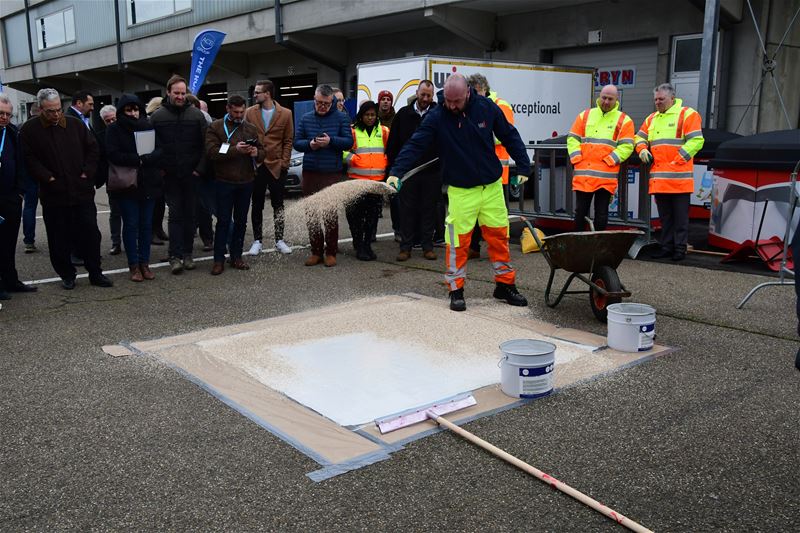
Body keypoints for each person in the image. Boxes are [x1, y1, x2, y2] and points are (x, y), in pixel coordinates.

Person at [388, 74, 530, 312]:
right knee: (457, 243)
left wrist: (524, 166)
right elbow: (416, 144)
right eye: (449, 102)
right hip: (461, 190)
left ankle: (505, 285)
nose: (452, 106)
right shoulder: (437, 116)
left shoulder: (486, 108)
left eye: (457, 101)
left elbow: (509, 135)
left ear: (468, 93)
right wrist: (397, 172)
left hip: (492, 187)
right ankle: (456, 290)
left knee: (498, 238)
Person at [20, 88, 112, 290]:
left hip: (81, 192)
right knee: (58, 237)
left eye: (58, 110)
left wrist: (87, 172)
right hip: (54, 195)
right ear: (40, 109)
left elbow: (93, 149)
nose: (55, 114)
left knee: (90, 234)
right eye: (50, 111)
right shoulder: (30, 130)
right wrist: (48, 177)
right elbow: (29, 158)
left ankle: (95, 272)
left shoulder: (75, 125)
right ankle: (67, 274)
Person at [635, 83, 704, 261]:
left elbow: (696, 141)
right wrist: (642, 150)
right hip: (660, 178)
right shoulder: (652, 118)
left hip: (679, 178)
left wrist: (677, 159)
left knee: (680, 218)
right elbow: (639, 137)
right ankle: (667, 247)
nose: (657, 102)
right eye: (655, 99)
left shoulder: (687, 114)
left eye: (661, 99)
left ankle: (679, 249)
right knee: (666, 217)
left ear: (672, 98)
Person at [150, 75, 207, 274]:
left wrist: (199, 169)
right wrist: (160, 169)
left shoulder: (196, 116)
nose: (180, 96)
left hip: (191, 175)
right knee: (175, 215)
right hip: (170, 176)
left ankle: (188, 254)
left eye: (183, 93)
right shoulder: (157, 117)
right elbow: (151, 147)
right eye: (177, 93)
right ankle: (174, 257)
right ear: (168, 92)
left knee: (191, 216)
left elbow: (205, 147)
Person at [104, 94, 163, 282]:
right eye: (129, 110)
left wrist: (149, 158)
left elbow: (160, 148)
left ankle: (145, 263)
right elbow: (112, 154)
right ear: (122, 111)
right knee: (131, 225)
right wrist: (137, 159)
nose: (133, 113)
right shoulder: (114, 129)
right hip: (127, 185)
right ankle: (133, 265)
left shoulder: (148, 125)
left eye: (136, 109)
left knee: (146, 226)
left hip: (148, 183)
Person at [293, 84, 353, 267]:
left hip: (331, 173)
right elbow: (297, 142)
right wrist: (310, 145)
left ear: (332, 101)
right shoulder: (305, 118)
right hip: (310, 171)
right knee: (311, 213)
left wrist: (331, 141)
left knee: (329, 214)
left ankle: (331, 252)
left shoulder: (341, 118)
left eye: (326, 104)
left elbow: (349, 142)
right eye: (319, 102)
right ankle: (315, 252)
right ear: (314, 99)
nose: (322, 106)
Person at [206, 95, 263, 275]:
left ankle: (237, 256)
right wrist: (234, 150)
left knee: (241, 222)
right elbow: (211, 152)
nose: (239, 115)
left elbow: (263, 152)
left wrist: (256, 152)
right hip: (223, 182)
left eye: (242, 111)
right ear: (228, 109)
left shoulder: (251, 129)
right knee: (223, 222)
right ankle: (218, 260)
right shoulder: (215, 127)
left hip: (246, 182)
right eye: (236, 112)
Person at [567, 84, 634, 231]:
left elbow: (627, 146)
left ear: (617, 99)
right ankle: (578, 242)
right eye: (604, 97)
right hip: (584, 174)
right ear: (599, 97)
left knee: (602, 214)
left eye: (610, 99)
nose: (606, 101)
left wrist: (611, 160)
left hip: (605, 177)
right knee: (580, 213)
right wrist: (576, 157)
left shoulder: (624, 120)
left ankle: (598, 245)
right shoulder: (584, 115)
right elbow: (572, 138)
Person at [385, 80, 439, 262]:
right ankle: (405, 247)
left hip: (431, 172)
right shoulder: (403, 114)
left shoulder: (438, 114)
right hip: (408, 172)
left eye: (428, 96)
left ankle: (427, 246)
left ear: (433, 96)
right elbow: (393, 144)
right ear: (417, 92)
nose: (425, 98)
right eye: (422, 94)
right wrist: (394, 170)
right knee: (407, 211)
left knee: (428, 210)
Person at [466, 73, 516, 259]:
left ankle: (499, 248)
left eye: (476, 92)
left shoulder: (501, 105)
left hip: (497, 170)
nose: (474, 96)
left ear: (484, 89)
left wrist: (479, 137)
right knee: (474, 211)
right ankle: (474, 247)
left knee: (498, 215)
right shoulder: (471, 106)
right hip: (476, 169)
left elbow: (506, 133)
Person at [245, 79, 294, 256]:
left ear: (267, 94)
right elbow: (245, 135)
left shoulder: (286, 113)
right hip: (257, 165)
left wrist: (284, 162)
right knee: (257, 203)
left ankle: (279, 240)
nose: (254, 94)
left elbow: (288, 140)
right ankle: (257, 241)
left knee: (278, 204)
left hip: (276, 165)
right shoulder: (249, 113)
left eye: (258, 92)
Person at [0, 93, 37, 300]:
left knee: (8, 242)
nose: (4, 117)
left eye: (8, 114)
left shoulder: (13, 133)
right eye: (1, 113)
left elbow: (22, 163)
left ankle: (10, 279)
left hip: (11, 197)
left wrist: (20, 192)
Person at [343, 100, 389, 261]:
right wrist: (352, 158)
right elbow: (341, 151)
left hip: (375, 183)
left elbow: (390, 150)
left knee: (372, 217)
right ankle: (359, 244)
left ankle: (367, 245)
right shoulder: (352, 131)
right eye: (367, 115)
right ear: (361, 116)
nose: (370, 118)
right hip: (356, 181)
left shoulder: (383, 131)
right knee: (355, 215)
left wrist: (386, 161)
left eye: (373, 115)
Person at [98, 103, 124, 256]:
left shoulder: (126, 132)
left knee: (131, 213)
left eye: (113, 119)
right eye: (108, 120)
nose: (111, 122)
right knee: (115, 212)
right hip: (112, 179)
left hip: (130, 178)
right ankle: (116, 242)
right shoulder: (101, 136)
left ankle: (132, 240)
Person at [145, 96, 168, 246]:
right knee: (152, 203)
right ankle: (152, 232)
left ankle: (158, 229)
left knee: (160, 202)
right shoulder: (149, 123)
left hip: (162, 167)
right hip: (152, 168)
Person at [21, 102, 40, 254]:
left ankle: (29, 240)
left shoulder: (20, 128)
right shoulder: (42, 127)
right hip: (43, 173)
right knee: (52, 207)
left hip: (28, 174)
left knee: (29, 207)